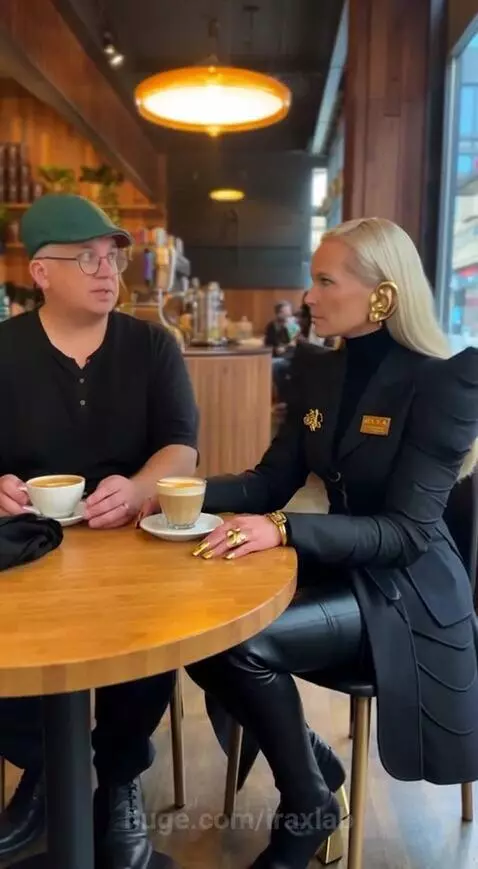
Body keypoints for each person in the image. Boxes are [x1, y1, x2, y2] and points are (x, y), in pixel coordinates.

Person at [183, 217, 478, 869]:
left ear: (382, 296)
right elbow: (269, 481)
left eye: (324, 280)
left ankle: (309, 806)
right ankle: (316, 775)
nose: (307, 296)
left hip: (408, 590)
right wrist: (176, 493)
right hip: (342, 565)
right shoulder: (317, 370)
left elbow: (405, 534)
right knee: (201, 631)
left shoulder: (445, 381)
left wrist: (285, 529)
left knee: (240, 643)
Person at [0, 194, 199, 868]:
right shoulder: (4, 349)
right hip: (23, 546)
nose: (105, 270)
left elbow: (181, 446)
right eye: (84, 257)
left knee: (148, 629)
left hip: (129, 544)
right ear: (40, 272)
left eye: (112, 256)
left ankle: (118, 776)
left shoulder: (151, 345)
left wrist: (141, 488)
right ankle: (44, 769)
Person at [264, 302, 296, 402]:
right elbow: (268, 343)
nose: (287, 314)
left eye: (289, 311)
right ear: (278, 313)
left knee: (275, 366)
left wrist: (285, 347)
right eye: (284, 312)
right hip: (275, 355)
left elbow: (295, 342)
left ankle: (283, 398)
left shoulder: (292, 325)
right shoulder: (271, 326)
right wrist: (275, 349)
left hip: (290, 356)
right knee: (269, 364)